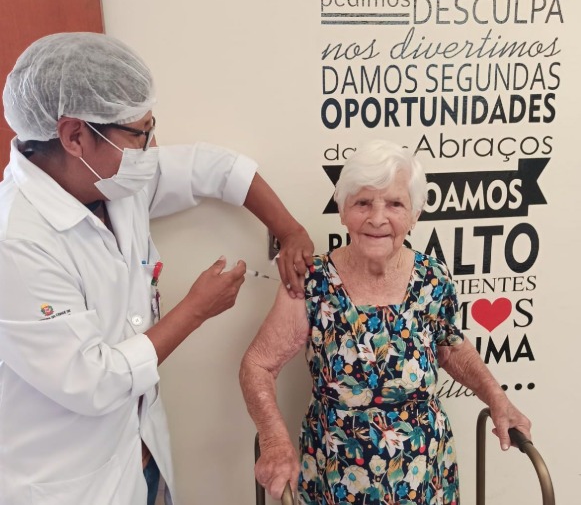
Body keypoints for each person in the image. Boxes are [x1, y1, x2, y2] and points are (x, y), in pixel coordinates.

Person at [0, 32, 313, 505]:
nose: (152, 146)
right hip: (70, 484)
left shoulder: (114, 182)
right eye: (139, 133)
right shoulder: (17, 241)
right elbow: (94, 382)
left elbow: (217, 170)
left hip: (141, 459)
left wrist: (290, 230)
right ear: (75, 136)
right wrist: (195, 310)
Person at [239, 139, 531, 505]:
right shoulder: (311, 282)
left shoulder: (432, 278)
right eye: (363, 203)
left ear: (414, 214)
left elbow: (450, 347)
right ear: (343, 211)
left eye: (394, 204)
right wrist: (273, 440)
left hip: (425, 473)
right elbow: (258, 365)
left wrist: (498, 398)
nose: (377, 219)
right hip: (337, 475)